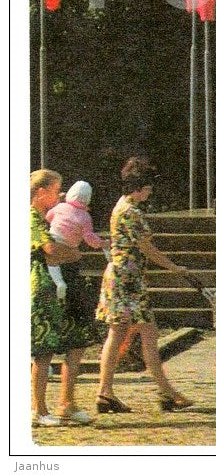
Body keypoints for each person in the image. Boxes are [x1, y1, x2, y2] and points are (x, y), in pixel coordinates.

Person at [95, 157, 195, 412]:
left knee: (138, 334)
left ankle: (162, 392)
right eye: (148, 187)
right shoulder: (131, 212)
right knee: (126, 334)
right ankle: (110, 392)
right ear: (139, 187)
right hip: (126, 282)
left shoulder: (123, 207)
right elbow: (147, 248)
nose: (150, 191)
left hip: (126, 280)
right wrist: (174, 267)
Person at [31, 168, 96, 427]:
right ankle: (39, 409)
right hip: (44, 288)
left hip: (64, 284)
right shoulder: (32, 218)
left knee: (76, 340)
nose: (60, 193)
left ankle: (66, 403)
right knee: (44, 350)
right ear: (40, 192)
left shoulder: (50, 216)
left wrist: (67, 251)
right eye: (55, 188)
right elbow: (50, 251)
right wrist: (74, 252)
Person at [46, 180, 109, 301]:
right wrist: (101, 243)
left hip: (54, 239)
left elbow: (49, 217)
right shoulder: (85, 217)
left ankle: (59, 282)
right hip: (70, 245)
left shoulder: (60, 206)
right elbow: (89, 237)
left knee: (52, 262)